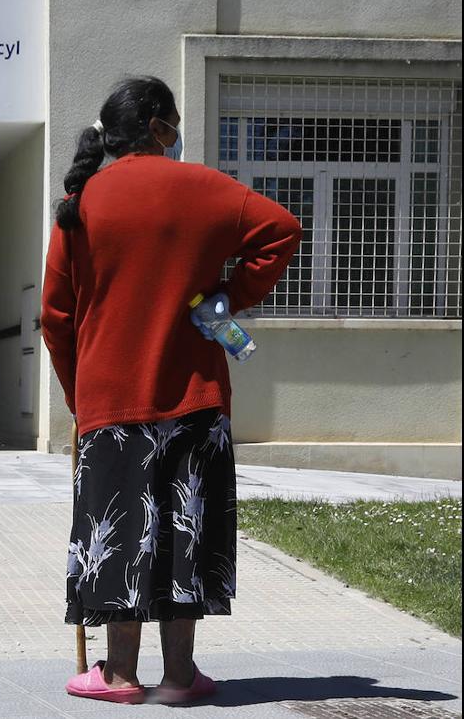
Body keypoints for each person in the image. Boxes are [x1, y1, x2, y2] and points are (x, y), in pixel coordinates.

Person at [39, 76, 301, 705]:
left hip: (111, 401)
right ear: (159, 126)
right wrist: (221, 301)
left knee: (121, 532)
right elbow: (282, 231)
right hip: (196, 395)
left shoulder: (82, 203)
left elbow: (56, 317)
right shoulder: (208, 189)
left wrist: (80, 397)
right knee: (187, 530)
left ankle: (120, 675)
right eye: (175, 120)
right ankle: (181, 677)